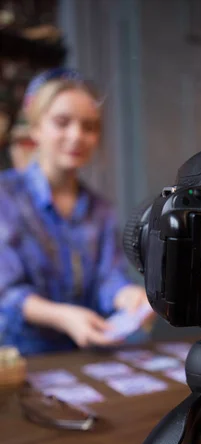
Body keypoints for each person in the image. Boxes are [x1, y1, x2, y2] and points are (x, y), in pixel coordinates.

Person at [0, 67, 151, 355]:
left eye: (89, 126)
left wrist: (127, 296)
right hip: (20, 359)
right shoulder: (5, 196)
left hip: (87, 355)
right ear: (36, 128)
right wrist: (63, 317)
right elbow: (6, 293)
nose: (76, 135)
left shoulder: (101, 208)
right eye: (62, 122)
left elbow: (109, 278)